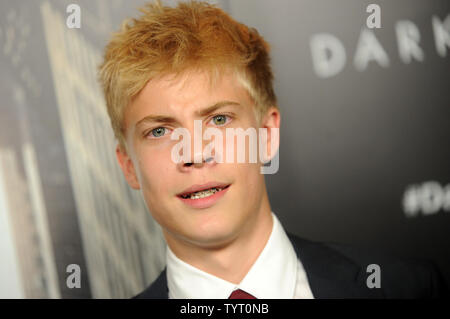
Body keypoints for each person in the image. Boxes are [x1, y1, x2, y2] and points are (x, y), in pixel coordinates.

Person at [98, 0, 448, 299]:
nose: (194, 153)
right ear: (128, 165)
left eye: (219, 120)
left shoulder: (407, 287)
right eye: (159, 131)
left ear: (266, 135)